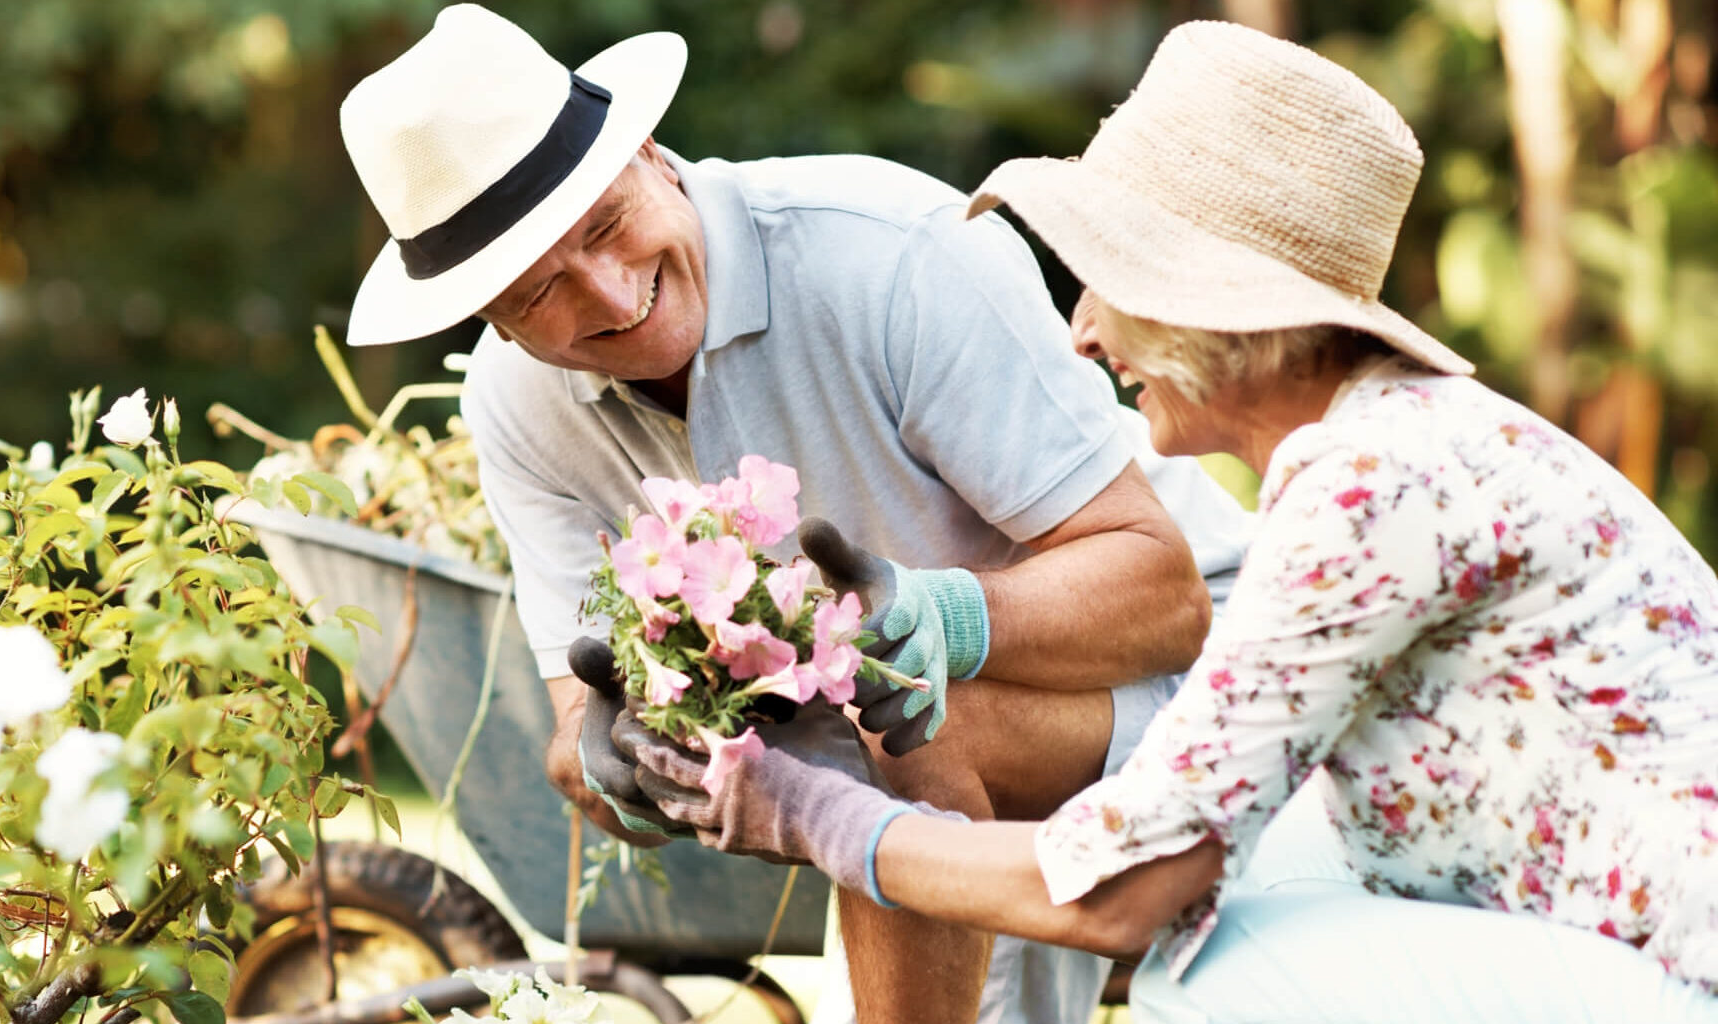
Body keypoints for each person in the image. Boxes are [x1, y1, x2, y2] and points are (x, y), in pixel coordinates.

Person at [625, 19, 1718, 1023]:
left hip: (1674, 978)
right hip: (1618, 958)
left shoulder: (1375, 484)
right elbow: (1173, 816)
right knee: (1269, 873)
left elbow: (1122, 888)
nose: (1082, 334)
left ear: (1219, 307)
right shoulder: (1379, 451)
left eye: (1108, 283)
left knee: (1219, 964)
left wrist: (812, 813)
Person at [333, 6, 1253, 1023]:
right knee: (882, 709)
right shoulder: (516, 406)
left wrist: (939, 619)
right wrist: (614, 758)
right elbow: (571, 729)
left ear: (646, 151)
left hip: (1199, 689)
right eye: (539, 290)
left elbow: (1167, 596)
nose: (605, 293)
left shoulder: (888, 255)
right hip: (914, 757)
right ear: (487, 320)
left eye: (603, 225)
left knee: (891, 701)